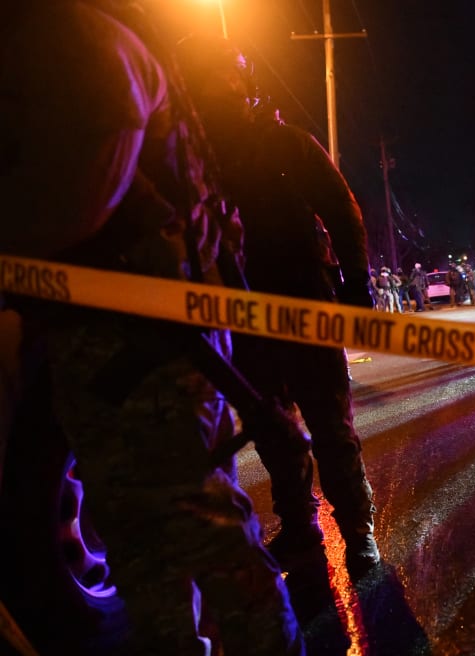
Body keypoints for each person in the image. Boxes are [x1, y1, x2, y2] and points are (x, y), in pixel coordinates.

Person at [0, 3, 304, 653]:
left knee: (204, 532)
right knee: (143, 544)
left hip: (146, 348)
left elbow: (73, 196)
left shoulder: (76, 36)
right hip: (126, 342)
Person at [176, 36, 382, 580]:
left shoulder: (286, 143)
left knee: (329, 424)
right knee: (271, 427)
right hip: (241, 314)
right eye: (205, 80)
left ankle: (357, 530)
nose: (218, 90)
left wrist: (358, 281)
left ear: (245, 81)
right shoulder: (198, 159)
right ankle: (299, 523)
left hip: (305, 298)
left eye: (226, 76)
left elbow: (340, 206)